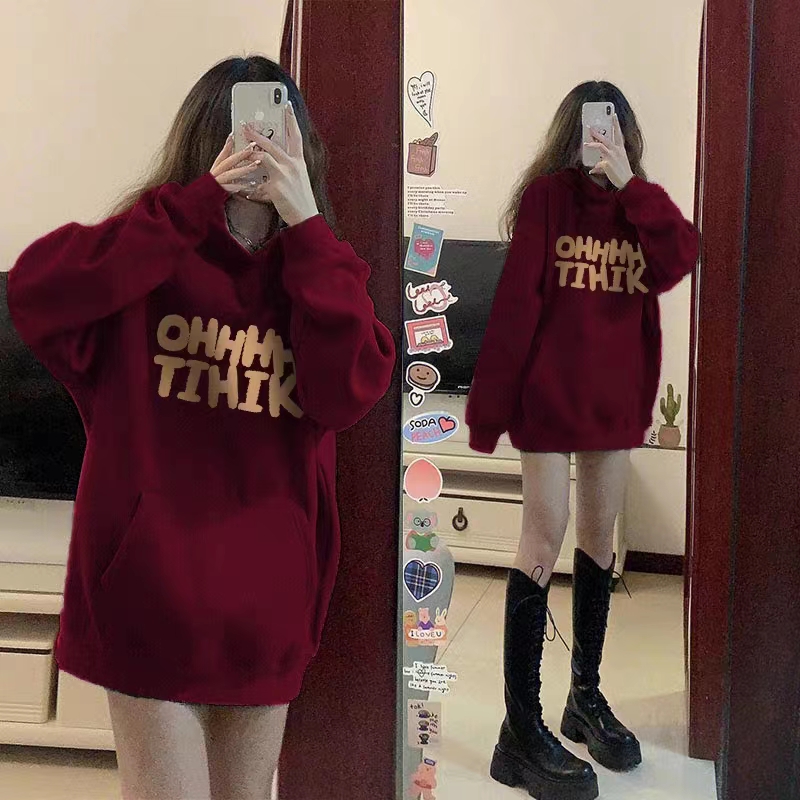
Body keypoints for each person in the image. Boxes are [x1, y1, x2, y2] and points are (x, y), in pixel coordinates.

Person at [7, 55, 395, 800]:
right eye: (239, 132)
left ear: (303, 148)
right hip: (150, 596)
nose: (258, 146)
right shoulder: (145, 255)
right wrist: (195, 205)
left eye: (275, 133)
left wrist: (307, 227)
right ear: (203, 144)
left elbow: (347, 393)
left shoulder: (317, 274)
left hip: (266, 604)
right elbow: (36, 290)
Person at [466, 80, 699, 800]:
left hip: (612, 405)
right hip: (547, 399)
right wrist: (489, 411)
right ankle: (519, 731)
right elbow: (516, 303)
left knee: (600, 541)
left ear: (627, 137)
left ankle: (583, 698)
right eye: (592, 127)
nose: (600, 139)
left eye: (613, 128)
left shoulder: (640, 206)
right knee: (543, 540)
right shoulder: (547, 198)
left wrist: (631, 184)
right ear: (571, 131)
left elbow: (680, 259)